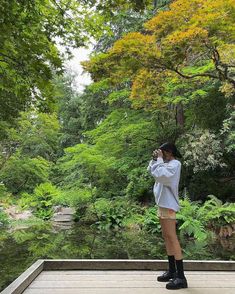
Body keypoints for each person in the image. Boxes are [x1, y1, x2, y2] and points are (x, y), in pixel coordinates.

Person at [147, 142, 188, 290]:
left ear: (169, 152)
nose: (161, 155)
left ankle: (181, 277)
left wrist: (158, 160)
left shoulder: (175, 164)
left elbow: (161, 175)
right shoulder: (164, 163)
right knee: (166, 236)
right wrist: (154, 159)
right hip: (162, 204)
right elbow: (152, 171)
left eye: (162, 152)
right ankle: (172, 271)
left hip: (169, 204)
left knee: (172, 236)